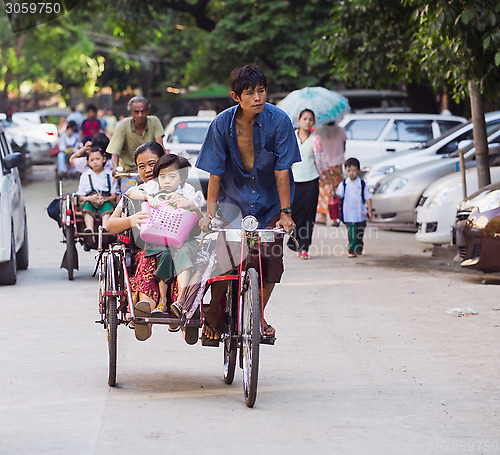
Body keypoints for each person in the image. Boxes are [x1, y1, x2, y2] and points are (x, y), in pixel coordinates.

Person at [196, 64, 300, 343]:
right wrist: (210, 214)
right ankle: (215, 311)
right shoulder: (221, 124)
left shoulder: (280, 121)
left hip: (270, 204)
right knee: (224, 260)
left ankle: (259, 313)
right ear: (235, 97)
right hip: (231, 202)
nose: (258, 98)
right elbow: (214, 172)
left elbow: (283, 171)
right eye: (250, 93)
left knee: (271, 259)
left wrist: (286, 213)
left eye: (262, 91)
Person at [126, 153, 204, 319]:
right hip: (158, 238)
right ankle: (162, 300)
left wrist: (188, 203)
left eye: (172, 176)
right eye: (162, 176)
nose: (166, 181)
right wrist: (148, 198)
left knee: (182, 253)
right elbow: (130, 192)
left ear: (181, 179)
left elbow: (199, 211)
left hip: (184, 239)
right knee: (166, 254)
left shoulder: (188, 191)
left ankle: (181, 300)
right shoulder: (153, 188)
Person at [106, 142, 165, 340]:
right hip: (144, 250)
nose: (147, 170)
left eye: (152, 164)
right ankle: (144, 311)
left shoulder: (178, 187)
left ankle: (183, 314)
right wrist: (130, 220)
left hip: (175, 249)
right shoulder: (133, 193)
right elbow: (110, 225)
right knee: (147, 258)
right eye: (141, 166)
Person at [287, 109, 334, 260]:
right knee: (295, 214)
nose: (307, 122)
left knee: (308, 216)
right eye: (305, 119)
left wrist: (330, 182)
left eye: (310, 120)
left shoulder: (316, 139)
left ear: (313, 122)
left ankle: (304, 246)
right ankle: (294, 241)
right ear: (298, 120)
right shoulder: (291, 137)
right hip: (293, 182)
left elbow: (321, 162)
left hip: (311, 182)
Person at [107, 96, 164, 174]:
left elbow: (160, 147)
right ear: (131, 112)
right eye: (136, 112)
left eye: (143, 111)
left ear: (148, 111)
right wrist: (115, 169)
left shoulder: (154, 121)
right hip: (129, 171)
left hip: (150, 169)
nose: (140, 115)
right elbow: (115, 152)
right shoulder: (123, 124)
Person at [76, 147, 118, 246]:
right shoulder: (85, 176)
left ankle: (105, 230)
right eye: (92, 160)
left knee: (107, 206)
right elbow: (81, 197)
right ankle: (89, 231)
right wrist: (90, 198)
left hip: (105, 199)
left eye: (97, 159)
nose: (95, 162)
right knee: (87, 205)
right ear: (88, 162)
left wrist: (104, 199)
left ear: (103, 159)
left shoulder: (110, 175)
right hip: (90, 200)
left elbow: (113, 196)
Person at [335, 157, 372, 258]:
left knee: (360, 232)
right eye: (349, 171)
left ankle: (358, 248)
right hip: (349, 213)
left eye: (354, 171)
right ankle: (351, 249)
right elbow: (339, 195)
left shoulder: (362, 184)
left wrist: (369, 209)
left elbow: (368, 198)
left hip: (360, 213)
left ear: (358, 171)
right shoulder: (344, 184)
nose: (351, 173)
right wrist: (333, 194)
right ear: (345, 171)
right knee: (352, 232)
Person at [315, 121, 347, 226]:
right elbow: (344, 147)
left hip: (325, 163)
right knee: (337, 190)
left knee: (324, 190)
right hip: (337, 163)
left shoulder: (319, 131)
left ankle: (323, 217)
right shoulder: (341, 130)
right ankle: (335, 217)